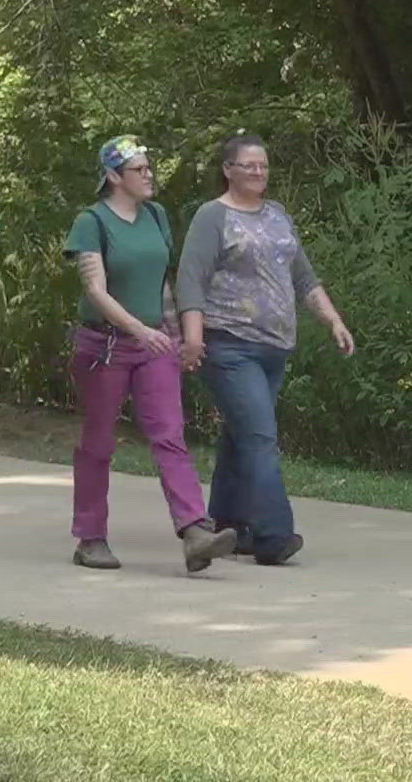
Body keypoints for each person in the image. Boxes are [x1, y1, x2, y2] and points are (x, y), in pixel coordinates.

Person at [176, 134, 355, 566]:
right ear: (228, 170)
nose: (259, 172)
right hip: (229, 344)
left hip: (275, 347)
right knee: (260, 437)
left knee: (242, 437)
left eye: (264, 165)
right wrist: (194, 337)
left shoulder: (277, 216)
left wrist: (333, 320)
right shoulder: (212, 216)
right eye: (249, 165)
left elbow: (304, 278)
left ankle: (228, 524)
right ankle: (273, 537)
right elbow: (191, 279)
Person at [63, 135, 238, 572]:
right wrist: (137, 329)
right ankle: (90, 537)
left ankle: (195, 531)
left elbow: (162, 281)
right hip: (104, 345)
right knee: (98, 441)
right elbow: (94, 290)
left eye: (148, 167)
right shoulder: (92, 222)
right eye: (139, 169)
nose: (149, 175)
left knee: (170, 434)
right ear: (112, 176)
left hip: (155, 344)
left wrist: (175, 334)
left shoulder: (156, 217)